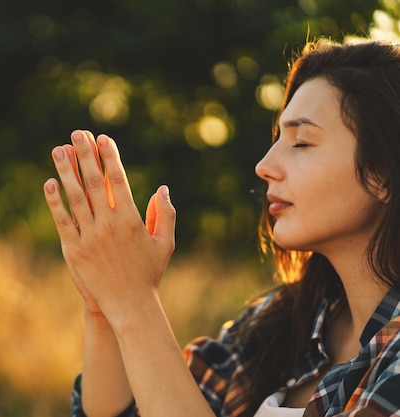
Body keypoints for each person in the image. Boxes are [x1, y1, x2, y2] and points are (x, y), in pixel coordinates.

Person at [42, 38, 400, 417]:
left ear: (383, 175)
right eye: (277, 137)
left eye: (302, 142)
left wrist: (136, 305)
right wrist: (106, 306)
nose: (264, 165)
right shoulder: (278, 321)